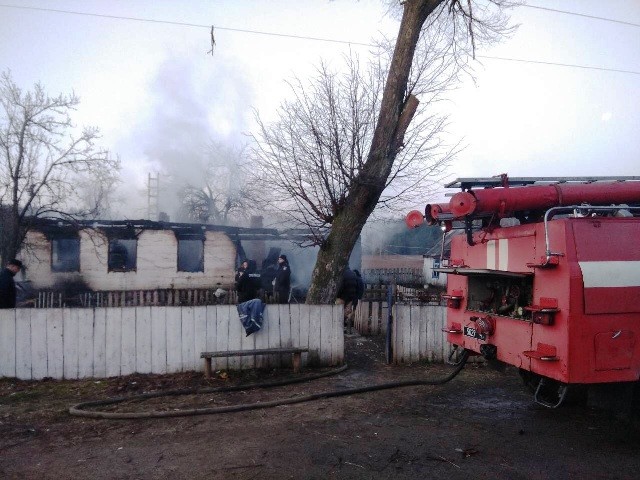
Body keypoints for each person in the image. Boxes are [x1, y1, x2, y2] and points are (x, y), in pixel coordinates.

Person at [336, 266, 358, 333]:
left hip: (342, 296)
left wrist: (337, 295)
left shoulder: (342, 274)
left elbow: (340, 286)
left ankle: (339, 329)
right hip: (351, 296)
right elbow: (356, 285)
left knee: (339, 312)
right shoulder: (353, 274)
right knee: (348, 312)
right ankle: (348, 329)